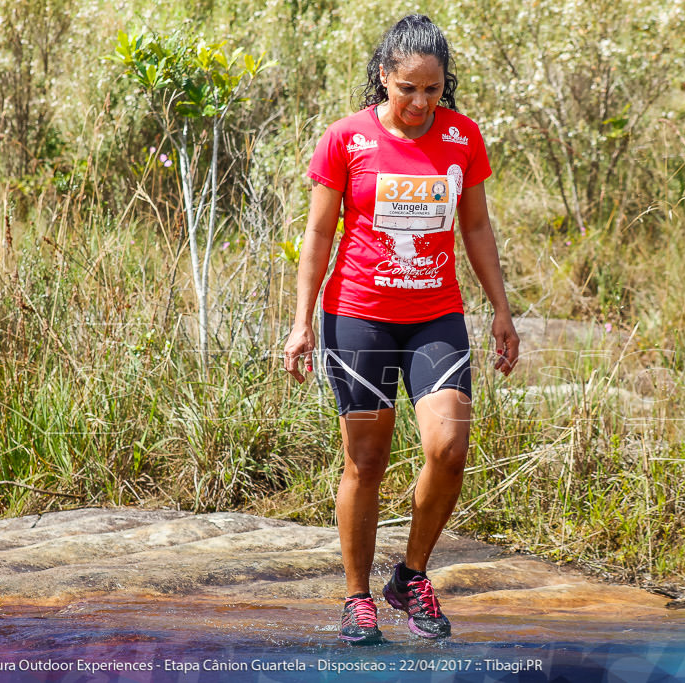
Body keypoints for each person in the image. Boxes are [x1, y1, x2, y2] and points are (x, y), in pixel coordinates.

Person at [283, 14, 519, 645]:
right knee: (367, 460)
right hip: (357, 316)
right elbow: (316, 234)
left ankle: (410, 576)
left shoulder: (463, 138)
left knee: (449, 449)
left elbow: (475, 228)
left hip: (434, 319)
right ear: (383, 77)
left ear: (446, 86)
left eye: (432, 90)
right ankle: (358, 597)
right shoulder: (345, 139)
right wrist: (301, 323)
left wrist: (500, 309)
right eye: (407, 88)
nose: (419, 103)